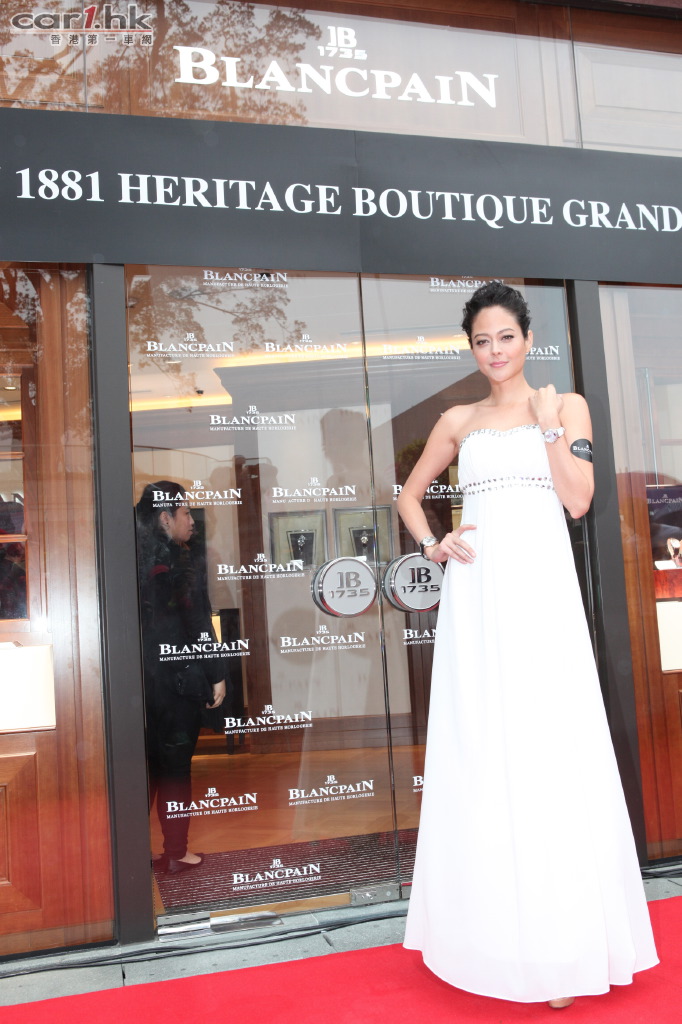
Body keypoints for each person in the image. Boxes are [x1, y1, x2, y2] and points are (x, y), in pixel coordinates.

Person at [397, 282, 658, 1009]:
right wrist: (434, 544)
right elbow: (408, 495)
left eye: (505, 337)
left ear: (527, 339)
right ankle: (489, 939)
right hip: (477, 602)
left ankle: (560, 945)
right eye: (482, 341)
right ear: (471, 347)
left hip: (542, 601)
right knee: (483, 748)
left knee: (550, 748)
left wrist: (546, 428)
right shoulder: (458, 419)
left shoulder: (565, 406)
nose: (494, 351)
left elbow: (578, 499)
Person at [135, 482, 226, 874]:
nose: (192, 520)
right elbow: (197, 622)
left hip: (139, 681)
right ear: (165, 518)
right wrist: (216, 673)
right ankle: (175, 853)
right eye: (186, 512)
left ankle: (131, 855)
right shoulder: (179, 561)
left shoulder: (129, 556)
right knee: (174, 769)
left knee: (144, 770)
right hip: (177, 680)